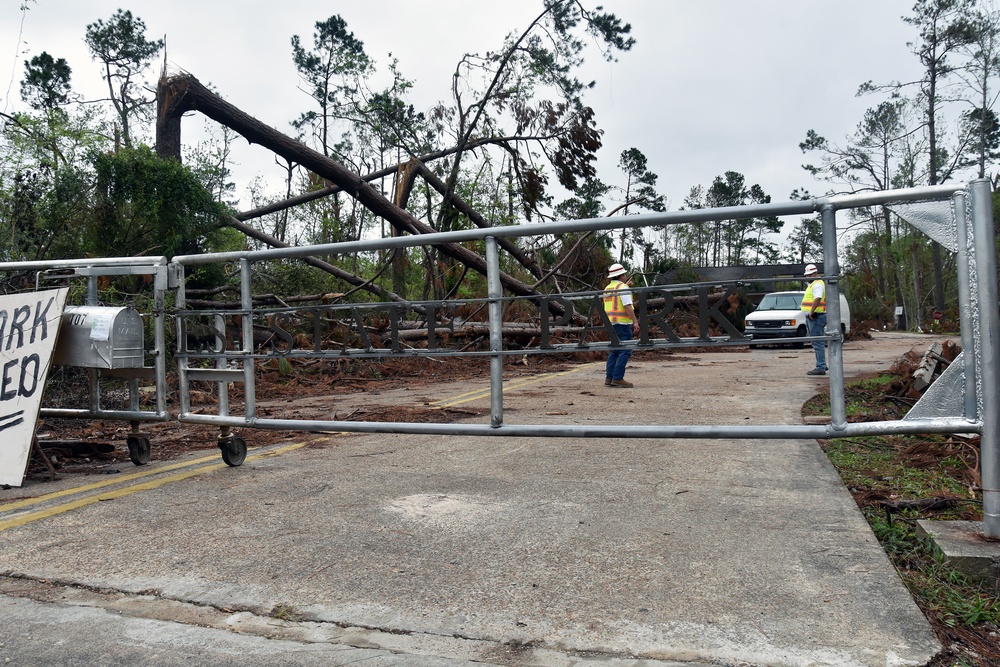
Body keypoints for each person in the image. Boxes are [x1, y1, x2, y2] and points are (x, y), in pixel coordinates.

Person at [603, 263, 640, 388]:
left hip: (611, 323)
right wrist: (635, 321)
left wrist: (626, 286)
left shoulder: (608, 288)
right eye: (624, 274)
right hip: (622, 323)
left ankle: (609, 377)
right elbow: (627, 306)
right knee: (626, 350)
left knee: (615, 350)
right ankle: (618, 378)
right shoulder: (623, 288)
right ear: (621, 276)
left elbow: (615, 299)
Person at [801, 263, 827, 376]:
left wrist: (811, 311)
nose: (807, 277)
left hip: (816, 316)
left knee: (817, 342)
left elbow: (818, 298)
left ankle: (820, 366)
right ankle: (822, 364)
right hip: (814, 316)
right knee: (817, 342)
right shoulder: (814, 284)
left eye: (809, 275)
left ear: (815, 274)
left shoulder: (817, 285)